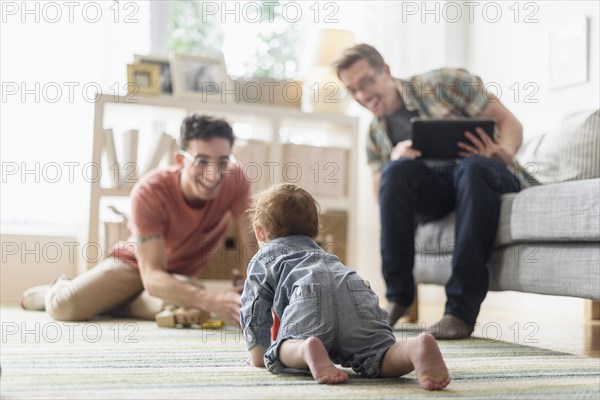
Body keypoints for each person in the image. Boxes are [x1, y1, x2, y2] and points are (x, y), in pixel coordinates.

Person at [334, 44, 523, 339]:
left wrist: (502, 152)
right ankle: (398, 298)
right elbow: (381, 195)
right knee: (394, 171)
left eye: (366, 83)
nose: (362, 96)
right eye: (352, 90)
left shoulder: (444, 83)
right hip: (439, 194)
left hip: (486, 175)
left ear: (386, 71)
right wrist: (394, 162)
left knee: (472, 168)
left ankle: (459, 313)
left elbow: (510, 123)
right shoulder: (374, 134)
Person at [20, 114, 256, 325]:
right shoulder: (151, 190)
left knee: (190, 300)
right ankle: (57, 290)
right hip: (137, 265)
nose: (213, 173)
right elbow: (153, 276)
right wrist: (213, 301)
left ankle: (110, 302)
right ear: (181, 160)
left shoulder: (236, 181)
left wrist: (252, 288)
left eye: (222, 162)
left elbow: (251, 246)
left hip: (178, 277)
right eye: (202, 161)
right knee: (66, 308)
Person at [240, 183, 450, 390]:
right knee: (378, 355)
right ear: (313, 233)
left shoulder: (264, 258)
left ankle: (305, 348)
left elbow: (254, 307)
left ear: (259, 233)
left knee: (283, 348)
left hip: (309, 297)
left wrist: (259, 355)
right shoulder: (323, 255)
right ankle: (413, 348)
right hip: (353, 287)